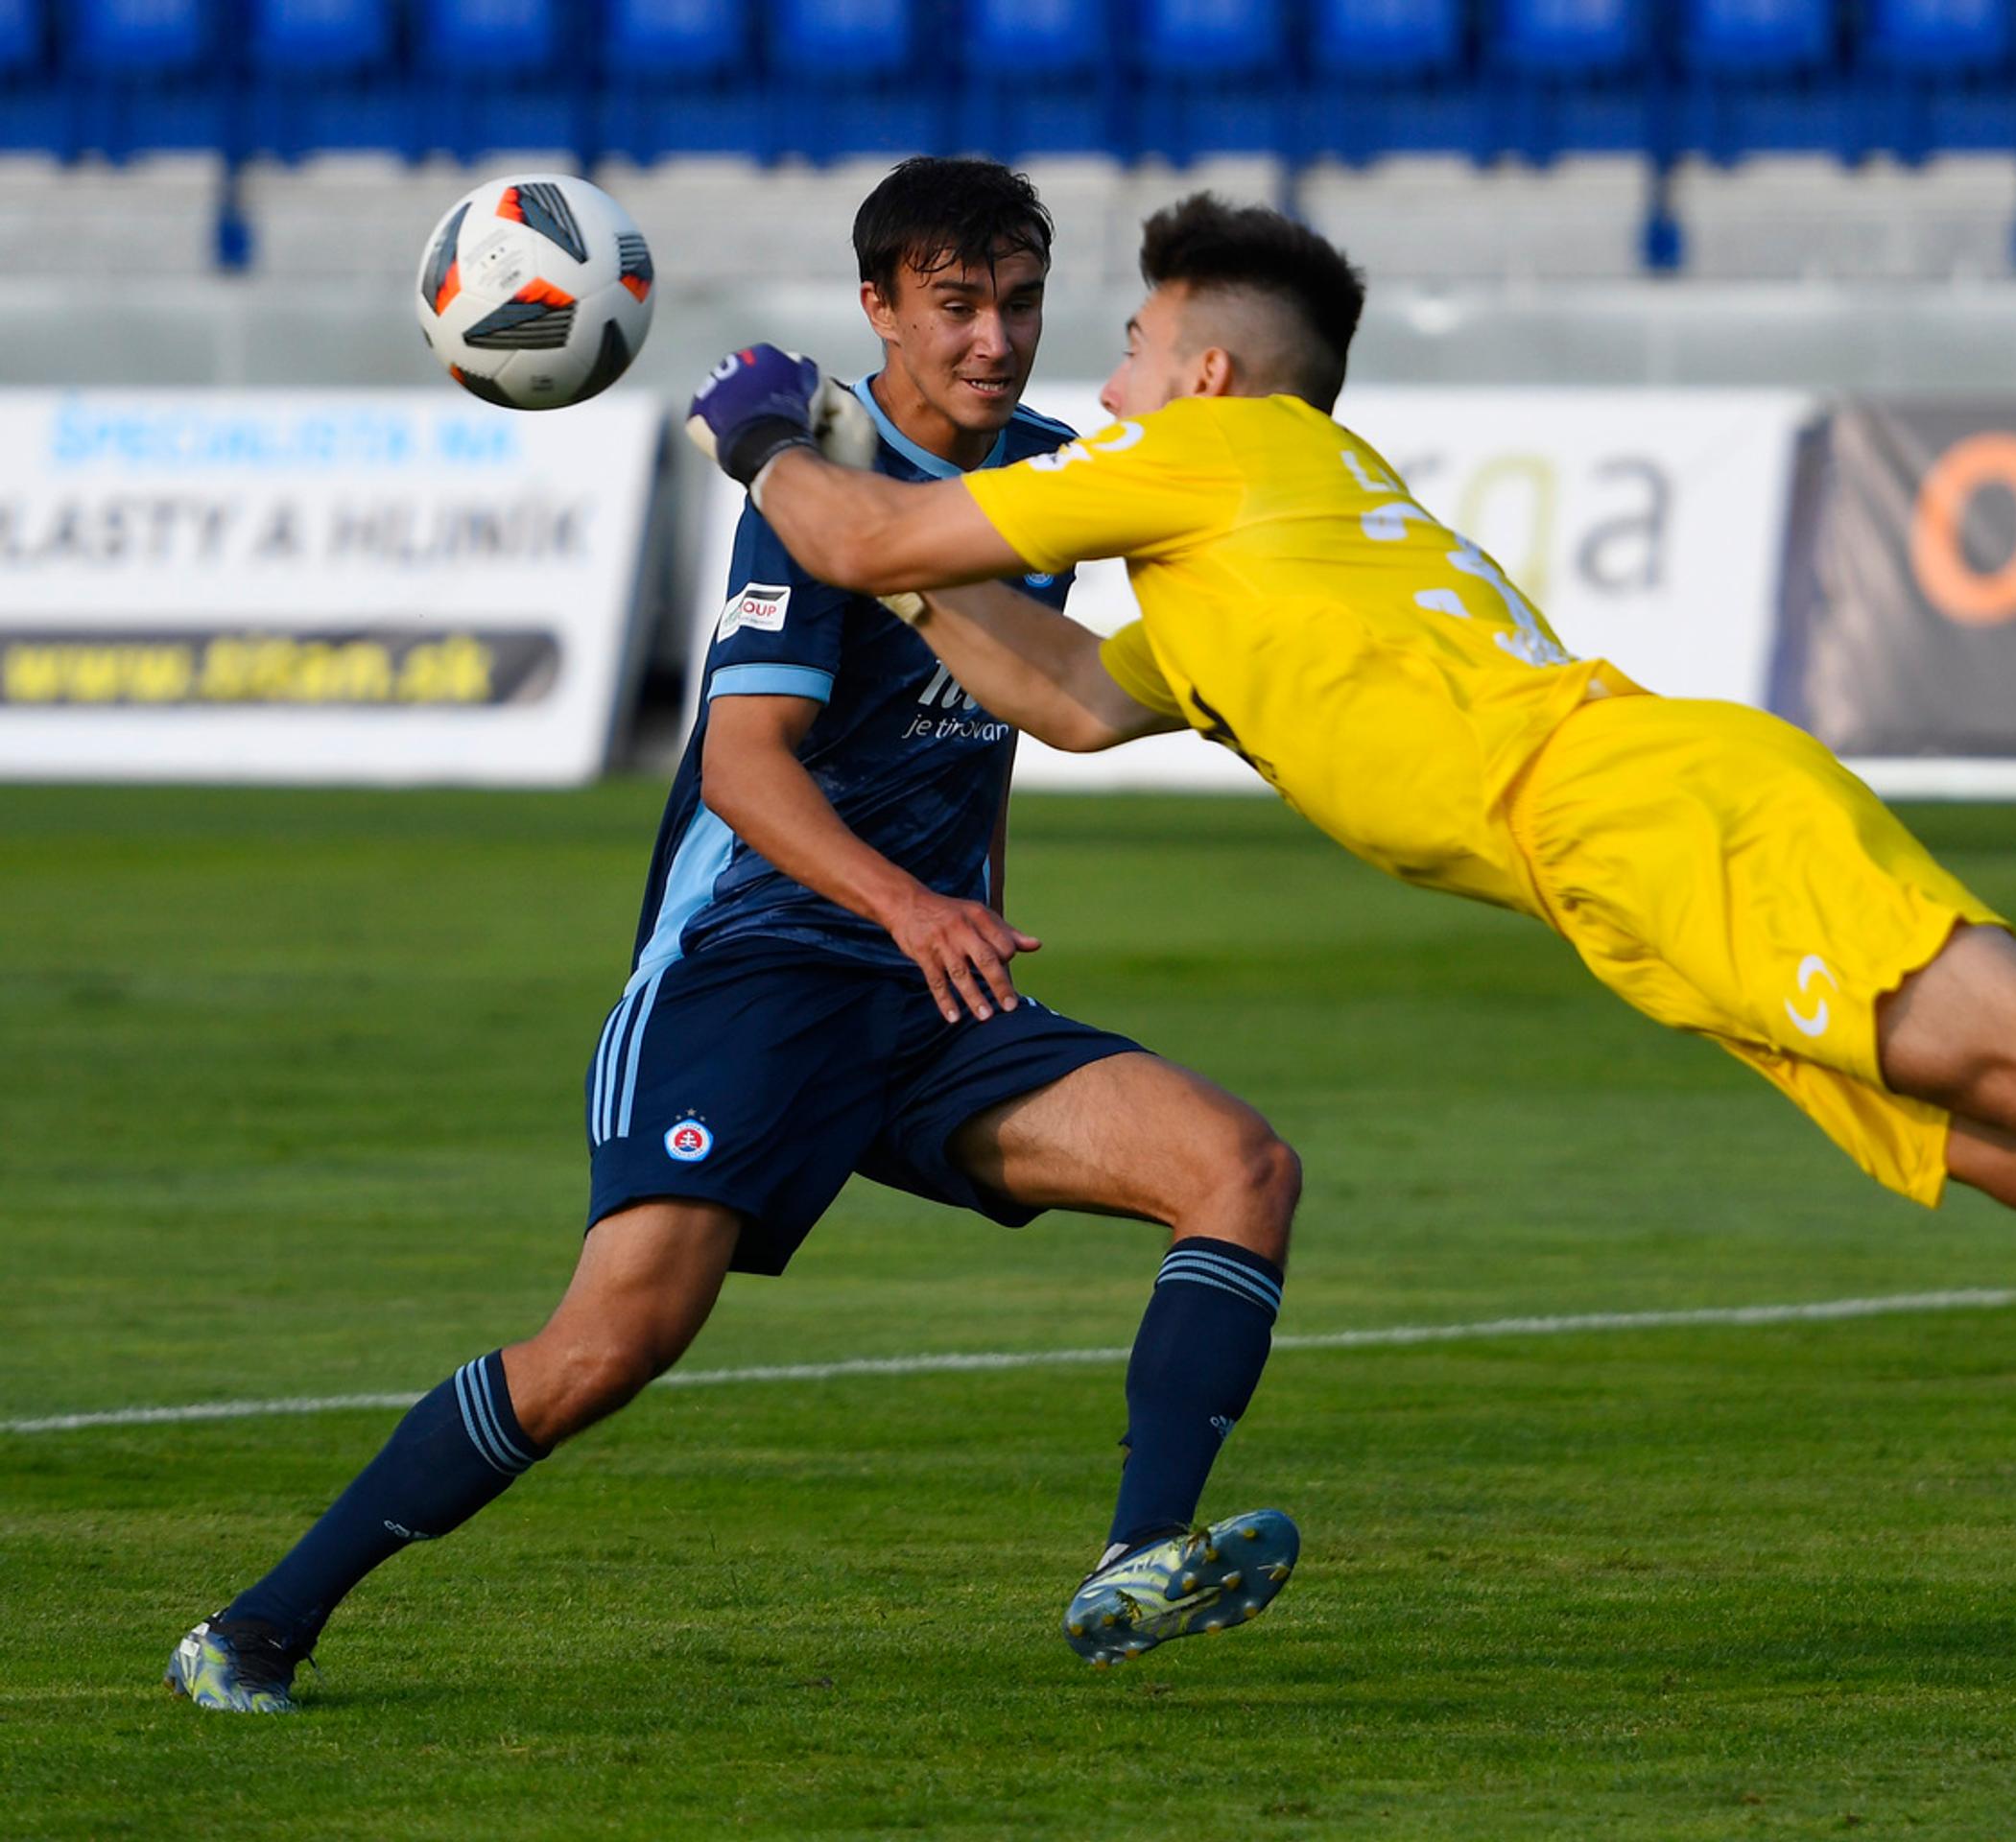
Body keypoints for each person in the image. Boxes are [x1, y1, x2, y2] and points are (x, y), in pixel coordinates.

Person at [683, 195, 2016, 1733]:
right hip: (1638, 871)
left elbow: (868, 551)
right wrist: (862, 471)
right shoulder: (1229, 557)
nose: (1098, 376)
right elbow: (1054, 689)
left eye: (1122, 341)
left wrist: (774, 435)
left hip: (1655, 816)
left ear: (1206, 374)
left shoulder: (1207, 460)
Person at [167, 163, 1306, 1717]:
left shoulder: (1044, 479)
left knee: (1236, 1170)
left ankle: (1137, 1562)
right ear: (880, 309)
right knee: (613, 1341)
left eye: (1022, 304)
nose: (995, 340)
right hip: (754, 974)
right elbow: (741, 764)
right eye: (957, 307)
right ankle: (254, 1628)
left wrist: (956, 901)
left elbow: (1020, 716)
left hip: (930, 990)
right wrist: (908, 899)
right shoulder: (822, 475)